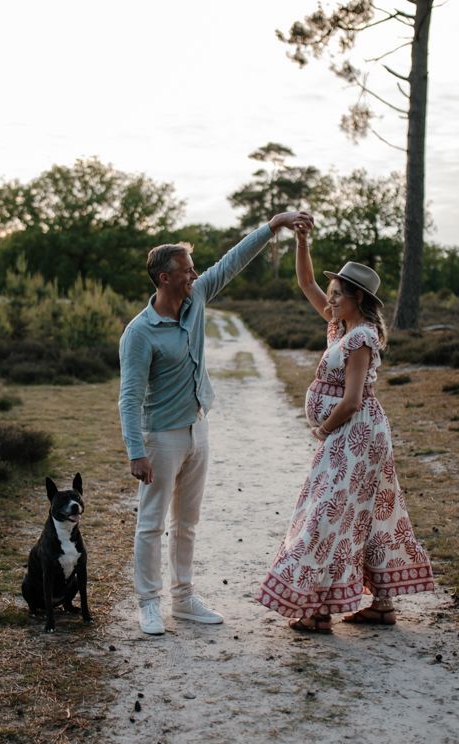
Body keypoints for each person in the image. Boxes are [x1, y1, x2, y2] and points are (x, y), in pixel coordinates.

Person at [119, 210, 315, 636]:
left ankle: (184, 598)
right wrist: (136, 451)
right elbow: (130, 397)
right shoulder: (140, 333)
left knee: (187, 521)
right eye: (186, 271)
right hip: (160, 438)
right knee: (151, 523)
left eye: (193, 270)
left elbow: (232, 261)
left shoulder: (197, 299)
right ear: (163, 277)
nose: (194, 275)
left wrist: (274, 225)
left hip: (197, 429)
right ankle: (149, 604)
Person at [256, 227, 435, 633]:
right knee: (366, 514)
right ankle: (382, 606)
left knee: (327, 515)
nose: (330, 298)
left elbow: (353, 399)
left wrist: (323, 429)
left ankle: (318, 609)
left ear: (359, 300)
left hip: (356, 435)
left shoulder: (362, 338)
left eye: (338, 294)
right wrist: (302, 243)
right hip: (354, 436)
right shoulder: (341, 326)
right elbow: (305, 282)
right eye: (332, 292)